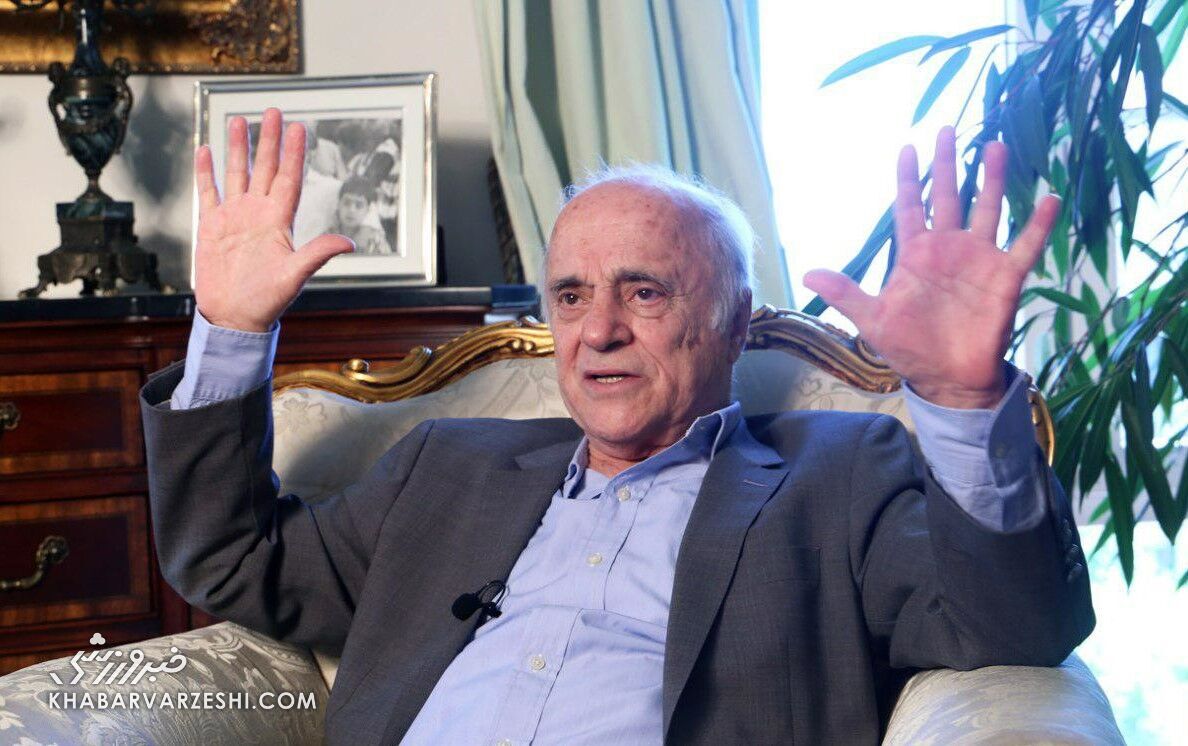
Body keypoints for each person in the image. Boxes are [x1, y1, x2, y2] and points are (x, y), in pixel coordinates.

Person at [143, 109, 1093, 744]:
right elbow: (230, 561)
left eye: (644, 292)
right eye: (570, 296)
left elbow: (1012, 625)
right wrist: (230, 333)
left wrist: (963, 400)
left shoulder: (840, 474)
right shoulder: (444, 468)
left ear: (734, 321)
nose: (597, 331)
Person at [329, 177, 393, 255]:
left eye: (359, 205)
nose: (351, 210)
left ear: (367, 210)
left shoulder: (376, 240)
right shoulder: (326, 238)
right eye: (346, 203)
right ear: (339, 205)